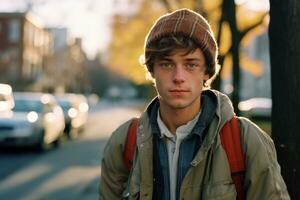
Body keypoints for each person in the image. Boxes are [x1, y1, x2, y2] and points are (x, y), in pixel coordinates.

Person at [99, 8, 290, 200]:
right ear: (152, 70)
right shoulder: (124, 143)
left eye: (190, 64)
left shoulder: (246, 140)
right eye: (167, 64)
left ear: (206, 72)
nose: (178, 77)